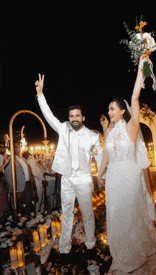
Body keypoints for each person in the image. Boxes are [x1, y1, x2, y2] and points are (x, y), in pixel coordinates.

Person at [97, 55, 156, 275]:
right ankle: (121, 254)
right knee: (115, 216)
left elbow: (135, 98)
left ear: (121, 110)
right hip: (113, 179)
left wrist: (141, 67)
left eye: (111, 109)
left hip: (129, 175)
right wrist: (100, 175)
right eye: (108, 109)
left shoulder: (132, 127)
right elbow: (106, 156)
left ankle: (135, 251)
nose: (109, 112)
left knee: (130, 214)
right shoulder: (109, 132)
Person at [35, 74, 103, 254]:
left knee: (87, 213)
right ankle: (64, 247)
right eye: (71, 116)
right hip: (66, 178)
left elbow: (101, 158)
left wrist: (102, 177)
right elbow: (48, 115)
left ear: (83, 117)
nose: (73, 118)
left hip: (83, 179)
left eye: (77, 116)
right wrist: (40, 95)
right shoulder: (63, 128)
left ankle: (90, 242)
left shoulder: (93, 136)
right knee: (66, 213)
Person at [4, 143, 35, 210]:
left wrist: (32, 187)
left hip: (27, 186)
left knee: (28, 207)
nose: (17, 148)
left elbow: (28, 173)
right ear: (11, 148)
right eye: (15, 147)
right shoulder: (10, 160)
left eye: (18, 147)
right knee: (19, 209)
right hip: (18, 188)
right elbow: (8, 177)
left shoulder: (23, 159)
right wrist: (15, 191)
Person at [0, 148, 11, 214]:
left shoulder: (4, 157)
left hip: (5, 181)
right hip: (1, 181)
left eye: (3, 147)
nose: (2, 148)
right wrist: (5, 163)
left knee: (6, 200)